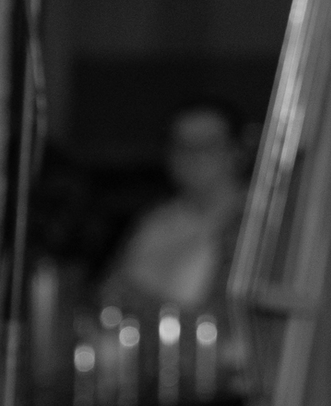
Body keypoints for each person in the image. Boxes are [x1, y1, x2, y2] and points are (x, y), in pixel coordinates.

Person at [100, 99, 248, 314]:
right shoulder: (155, 220)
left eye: (207, 145)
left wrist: (141, 302)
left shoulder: (254, 224)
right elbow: (110, 291)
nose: (191, 156)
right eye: (181, 145)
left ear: (237, 152)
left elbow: (225, 319)